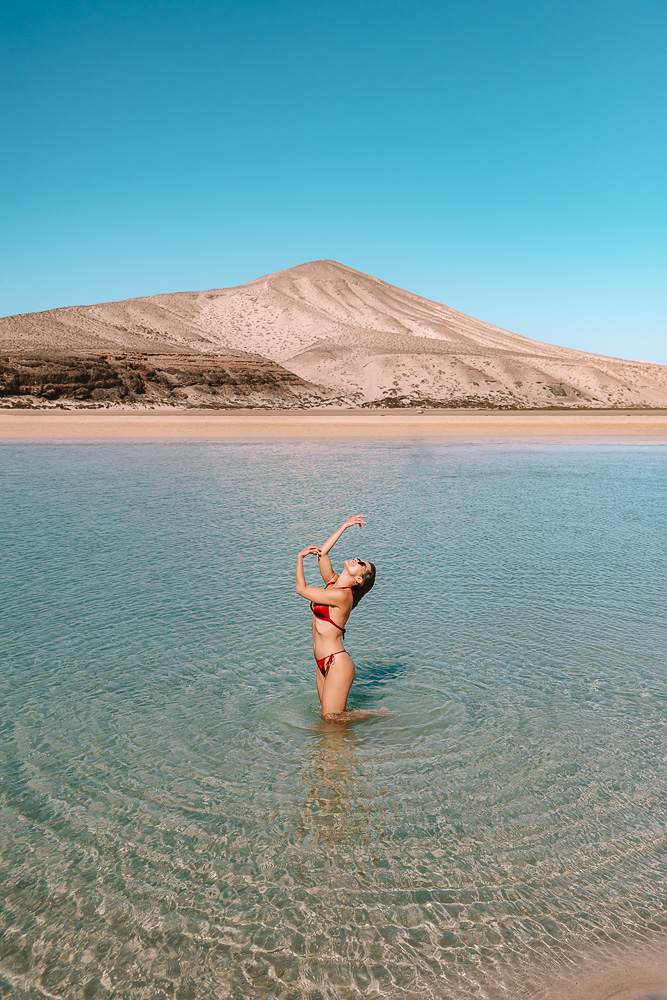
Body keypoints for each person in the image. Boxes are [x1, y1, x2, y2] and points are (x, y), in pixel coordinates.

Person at [296, 515, 384, 721]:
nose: (357, 559)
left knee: (331, 719)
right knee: (327, 718)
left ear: (359, 578)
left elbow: (301, 589)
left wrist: (299, 558)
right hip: (321, 661)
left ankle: (376, 715)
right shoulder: (333, 584)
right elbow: (323, 553)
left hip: (336, 663)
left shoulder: (342, 596)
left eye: (361, 564)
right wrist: (344, 525)